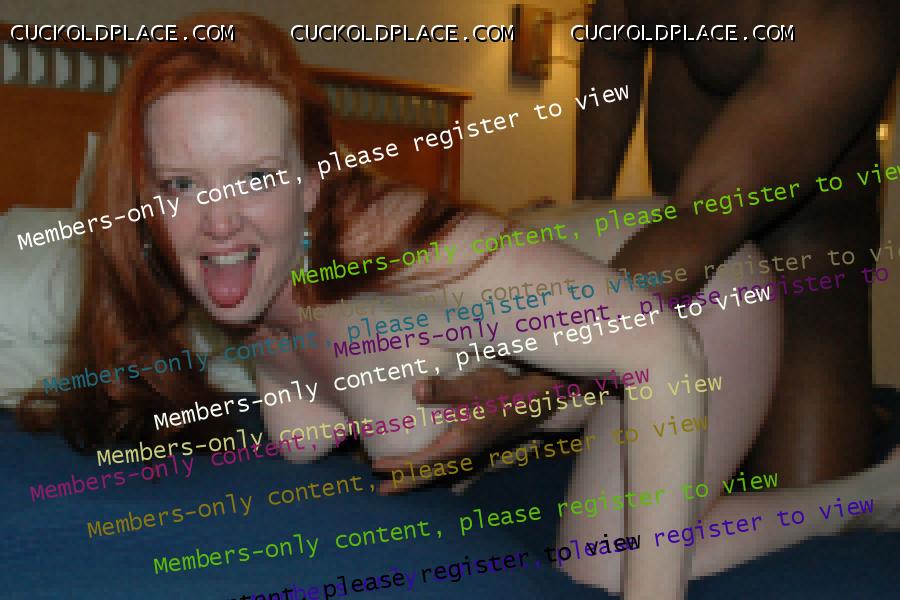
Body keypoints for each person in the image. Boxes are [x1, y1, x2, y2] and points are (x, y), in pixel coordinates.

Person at [15, 11, 898, 599]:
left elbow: (660, 348)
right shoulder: (226, 303)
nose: (219, 221)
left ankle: (864, 496)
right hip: (584, 310)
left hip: (696, 299)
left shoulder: (393, 241)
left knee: (599, 568)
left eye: (255, 175)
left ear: (312, 184)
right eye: (181, 184)